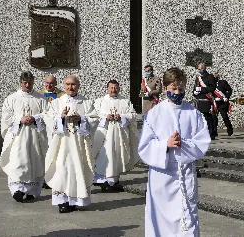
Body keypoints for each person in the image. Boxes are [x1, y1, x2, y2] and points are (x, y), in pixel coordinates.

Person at [138, 67, 211, 237]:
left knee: (187, 217)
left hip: (184, 173)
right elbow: (144, 147)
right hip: (161, 175)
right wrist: (166, 144)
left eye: (181, 88)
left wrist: (182, 144)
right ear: (165, 88)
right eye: (173, 88)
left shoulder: (193, 113)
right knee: (161, 221)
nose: (177, 92)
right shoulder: (154, 114)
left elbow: (202, 140)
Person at [45, 75, 98, 213]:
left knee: (77, 169)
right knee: (62, 169)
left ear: (78, 85)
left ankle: (76, 200)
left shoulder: (86, 103)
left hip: (80, 145)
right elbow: (48, 119)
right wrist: (61, 117)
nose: (70, 87)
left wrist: (81, 118)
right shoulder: (56, 103)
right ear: (63, 86)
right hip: (62, 145)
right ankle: (62, 201)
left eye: (73, 84)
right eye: (67, 84)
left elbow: (95, 120)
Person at [0, 71, 48, 202]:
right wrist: (20, 120)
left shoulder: (41, 99)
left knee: (35, 162)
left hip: (35, 137)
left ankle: (32, 191)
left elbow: (48, 115)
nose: (27, 85)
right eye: (25, 82)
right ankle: (17, 190)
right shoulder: (12, 98)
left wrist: (35, 118)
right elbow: (6, 118)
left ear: (33, 82)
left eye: (30, 82)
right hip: (18, 137)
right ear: (20, 82)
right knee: (18, 161)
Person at [92, 79, 140, 192]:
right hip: (105, 136)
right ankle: (104, 180)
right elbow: (93, 116)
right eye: (111, 87)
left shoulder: (125, 101)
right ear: (107, 88)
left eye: (116, 87)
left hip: (120, 136)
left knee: (118, 155)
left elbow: (133, 115)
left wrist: (122, 117)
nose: (113, 90)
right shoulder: (100, 101)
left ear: (119, 88)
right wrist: (105, 117)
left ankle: (113, 179)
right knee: (104, 156)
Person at [41, 75, 65, 189]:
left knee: (54, 153)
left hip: (56, 129)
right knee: (43, 153)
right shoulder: (39, 95)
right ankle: (43, 177)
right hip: (42, 129)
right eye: (47, 83)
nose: (48, 85)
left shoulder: (62, 96)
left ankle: (52, 178)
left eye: (51, 83)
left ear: (55, 84)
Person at [193, 62, 217, 140]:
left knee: (208, 118)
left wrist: (202, 89)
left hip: (207, 100)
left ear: (204, 68)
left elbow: (212, 88)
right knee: (200, 119)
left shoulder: (210, 77)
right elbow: (195, 88)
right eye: (199, 69)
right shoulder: (198, 78)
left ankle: (211, 133)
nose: (200, 71)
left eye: (201, 69)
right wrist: (194, 92)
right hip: (199, 101)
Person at [211, 71, 233, 136]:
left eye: (215, 75)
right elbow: (210, 93)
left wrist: (226, 97)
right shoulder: (211, 84)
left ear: (218, 76)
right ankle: (214, 132)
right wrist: (214, 98)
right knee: (214, 117)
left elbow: (229, 90)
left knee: (224, 117)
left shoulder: (223, 82)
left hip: (222, 103)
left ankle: (230, 130)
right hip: (215, 103)